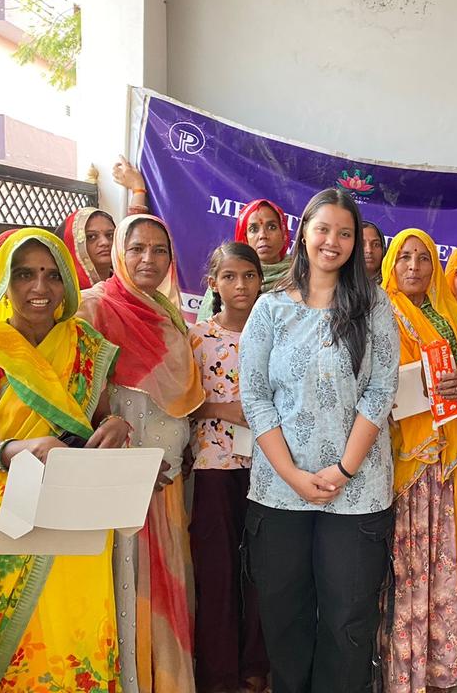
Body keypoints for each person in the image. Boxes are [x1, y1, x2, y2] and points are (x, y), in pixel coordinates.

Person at [0, 228, 131, 692]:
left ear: (67, 281)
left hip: (79, 513)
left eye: (50, 275)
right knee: (17, 641)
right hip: (13, 517)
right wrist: (24, 449)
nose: (39, 288)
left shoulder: (85, 345)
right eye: (24, 274)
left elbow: (98, 420)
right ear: (4, 280)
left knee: (81, 629)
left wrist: (118, 426)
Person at [239, 189, 399, 693]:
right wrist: (293, 476)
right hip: (279, 491)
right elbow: (255, 396)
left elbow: (381, 390)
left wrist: (343, 470)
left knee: (347, 623)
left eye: (345, 233)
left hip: (357, 493)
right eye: (323, 229)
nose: (333, 241)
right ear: (304, 231)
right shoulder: (268, 310)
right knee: (284, 618)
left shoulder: (374, 305)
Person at [77, 213, 206, 693]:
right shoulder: (93, 310)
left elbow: (178, 400)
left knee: (166, 590)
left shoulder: (169, 314)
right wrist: (125, 460)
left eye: (159, 250)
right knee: (124, 587)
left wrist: (181, 449)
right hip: (119, 488)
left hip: (167, 488)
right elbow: (76, 400)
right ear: (118, 253)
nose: (148, 259)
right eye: (137, 248)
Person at [382, 228, 457, 693]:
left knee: (438, 560)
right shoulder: (380, 312)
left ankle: (437, 666)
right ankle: (403, 670)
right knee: (405, 563)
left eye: (423, 258)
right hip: (402, 454)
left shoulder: (449, 317)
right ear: (391, 265)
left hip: (445, 457)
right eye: (405, 258)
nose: (415, 266)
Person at [187, 241, 270, 693]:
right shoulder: (198, 337)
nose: (241, 285)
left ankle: (255, 668)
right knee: (217, 571)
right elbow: (182, 404)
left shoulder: (276, 331)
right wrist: (224, 407)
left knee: (261, 570)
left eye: (249, 276)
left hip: (270, 469)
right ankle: (218, 676)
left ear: (262, 279)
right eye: (230, 277)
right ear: (214, 284)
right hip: (215, 467)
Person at [58, 207, 116, 288]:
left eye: (110, 235)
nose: (105, 242)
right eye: (91, 236)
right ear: (74, 245)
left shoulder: (129, 286)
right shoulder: (66, 292)